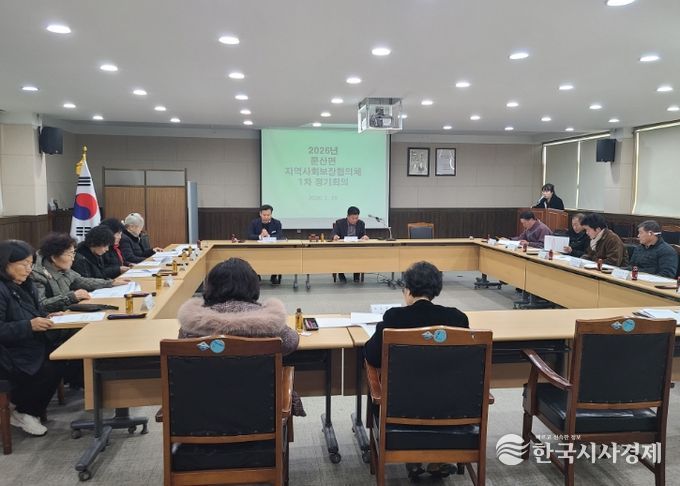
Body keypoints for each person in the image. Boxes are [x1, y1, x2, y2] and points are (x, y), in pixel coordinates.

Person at [363, 261, 469, 479]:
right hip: (451, 408)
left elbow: (372, 356)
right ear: (436, 290)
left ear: (408, 289)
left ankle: (414, 457)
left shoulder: (394, 318)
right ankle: (436, 458)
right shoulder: (458, 319)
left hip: (401, 410)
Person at [177, 257, 305, 416]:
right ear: (253, 286)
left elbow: (183, 346)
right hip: (260, 409)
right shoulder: (269, 323)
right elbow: (291, 342)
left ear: (210, 287)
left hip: (204, 410)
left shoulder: (192, 323)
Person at [0, 240, 62, 436]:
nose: (29, 269)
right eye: (23, 264)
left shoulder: (27, 284)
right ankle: (25, 411)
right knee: (52, 365)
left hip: (28, 343)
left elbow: (35, 311)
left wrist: (47, 317)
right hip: (8, 352)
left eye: (31, 263)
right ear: (5, 264)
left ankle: (26, 407)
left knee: (64, 355)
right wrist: (29, 325)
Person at [31, 233, 128, 313]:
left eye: (73, 253)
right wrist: (72, 297)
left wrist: (110, 283)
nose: (73, 259)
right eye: (69, 254)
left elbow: (80, 281)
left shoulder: (62, 269)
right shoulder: (37, 275)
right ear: (54, 257)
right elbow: (41, 305)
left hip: (67, 313)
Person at [331, 206, 369, 283]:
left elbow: (363, 235)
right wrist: (335, 236)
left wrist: (364, 237)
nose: (355, 220)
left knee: (359, 255)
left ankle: (356, 275)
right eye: (353, 218)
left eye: (356, 218)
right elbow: (333, 233)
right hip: (343, 247)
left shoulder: (361, 223)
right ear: (348, 216)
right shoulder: (339, 223)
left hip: (356, 247)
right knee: (339, 255)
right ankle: (341, 275)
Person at [247, 204, 283, 284]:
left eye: (268, 215)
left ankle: (274, 275)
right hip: (257, 248)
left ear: (271, 214)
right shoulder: (254, 223)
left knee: (277, 256)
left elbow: (280, 235)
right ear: (260, 214)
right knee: (254, 258)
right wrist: (260, 236)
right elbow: (249, 235)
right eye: (264, 215)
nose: (266, 217)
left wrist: (268, 236)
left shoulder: (277, 223)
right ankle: (256, 275)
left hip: (273, 248)